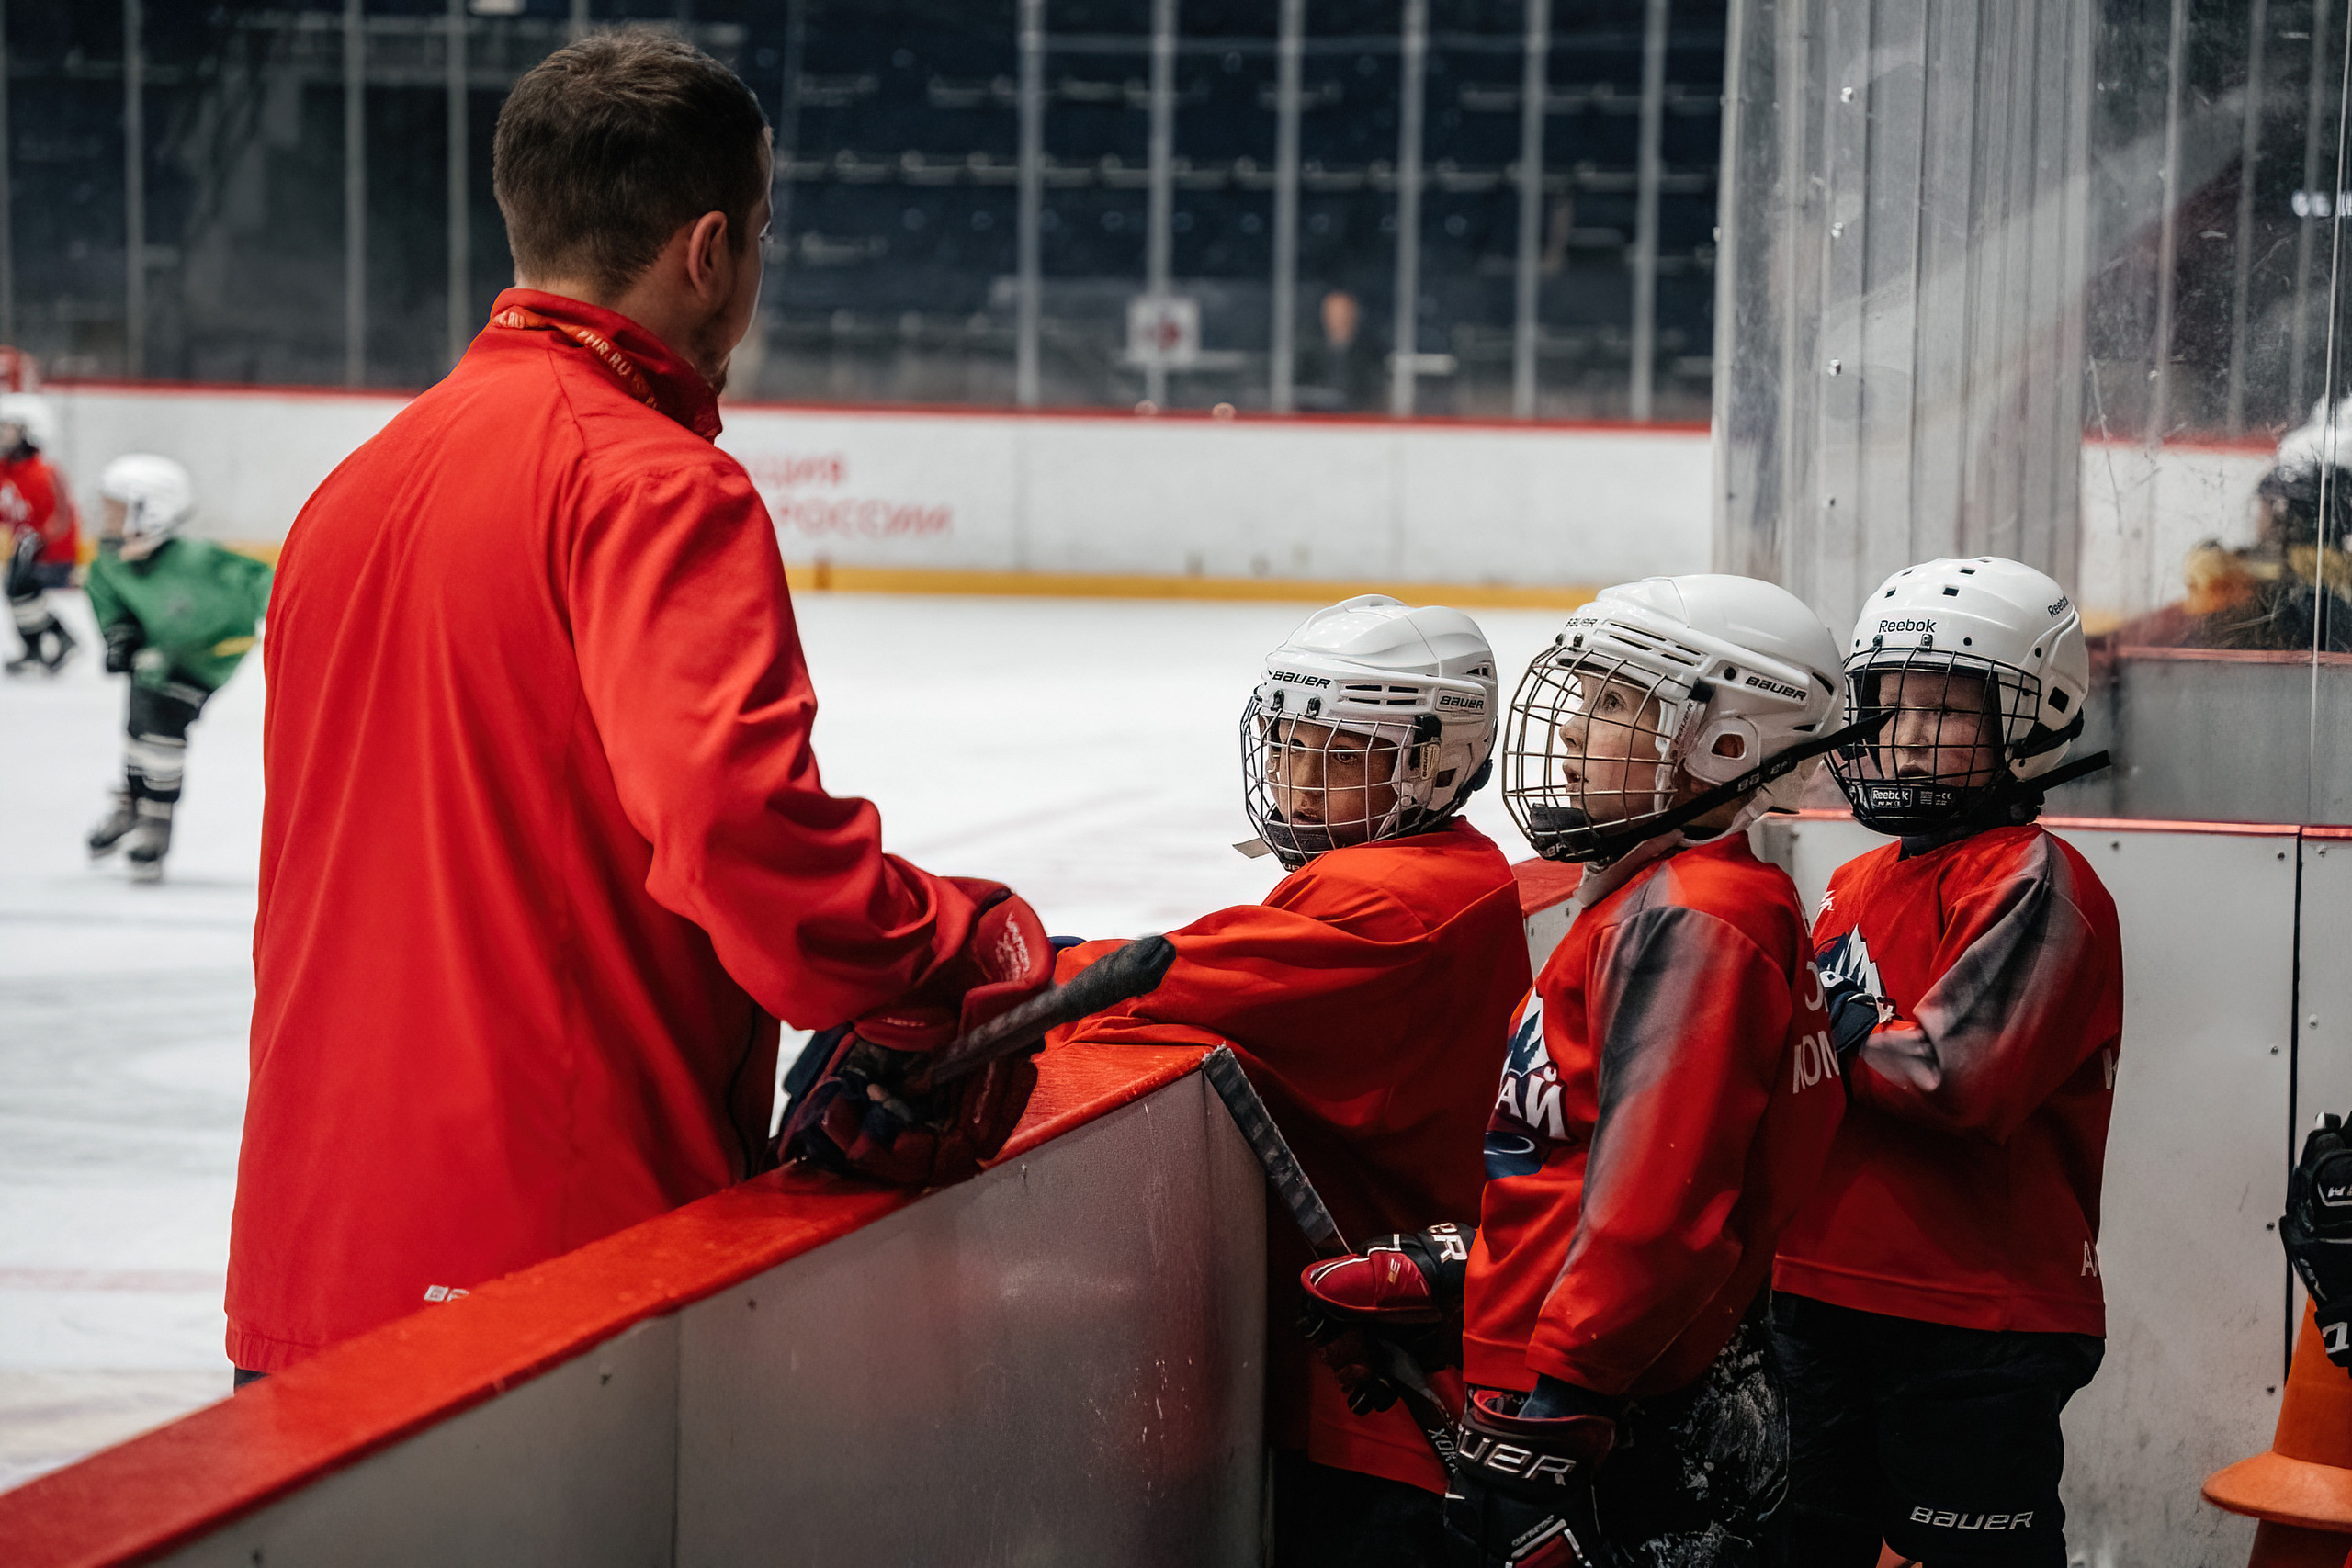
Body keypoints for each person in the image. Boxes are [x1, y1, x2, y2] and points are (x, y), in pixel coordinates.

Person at [227, 30, 1050, 1381]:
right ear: (712, 249)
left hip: (307, 1270)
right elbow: (742, 841)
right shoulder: (655, 484)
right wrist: (947, 939)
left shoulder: (349, 493)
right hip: (552, 1284)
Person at [1306, 576, 1853, 1567]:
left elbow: (1659, 1215)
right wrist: (1467, 1276)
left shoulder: (1695, 922)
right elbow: (1580, 1160)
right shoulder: (1660, 898)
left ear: (1725, 743)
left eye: (1614, 704)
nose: (1570, 734)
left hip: (1626, 1413)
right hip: (1623, 1383)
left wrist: (1559, 1407)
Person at [1047, 594, 1531, 1565]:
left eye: (1338, 751)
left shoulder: (1388, 901)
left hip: (1386, 1396)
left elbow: (1154, 985)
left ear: (1432, 761)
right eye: (1291, 742)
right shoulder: (1456, 867)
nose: (1298, 780)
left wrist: (1009, 966)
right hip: (1401, 1351)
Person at [1771, 556, 2123, 1568]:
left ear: (2034, 717)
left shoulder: (2035, 885)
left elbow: (1954, 1077)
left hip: (1974, 1319)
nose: (1908, 733)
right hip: (1818, 1292)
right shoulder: (1852, 877)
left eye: (1948, 709)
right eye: (1889, 705)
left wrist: (1793, 1025)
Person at [81, 456, 272, 882]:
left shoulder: (201, 560)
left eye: (116, 508)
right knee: (136, 726)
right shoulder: (110, 563)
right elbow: (109, 604)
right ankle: (133, 799)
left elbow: (268, 581)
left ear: (151, 512)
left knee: (163, 726)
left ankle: (157, 818)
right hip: (154, 657)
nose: (104, 517)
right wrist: (120, 638)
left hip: (207, 655)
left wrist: (290, 617)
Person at [2, 391, 81, 676]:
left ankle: (56, 639)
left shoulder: (43, 473)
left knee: (21, 593)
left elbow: (59, 517)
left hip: (49, 552)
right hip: (23, 545)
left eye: (9, 429)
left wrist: (40, 543)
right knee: (17, 595)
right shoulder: (5, 471)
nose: (3, 435)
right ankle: (43, 645)